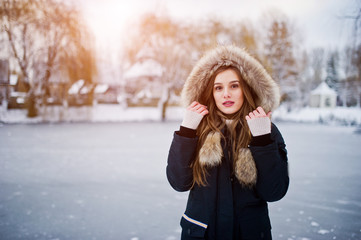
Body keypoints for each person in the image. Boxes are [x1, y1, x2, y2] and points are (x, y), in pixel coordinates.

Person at [166, 45, 289, 240]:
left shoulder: (265, 130)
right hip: (201, 233)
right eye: (218, 88)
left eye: (234, 85)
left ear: (246, 88)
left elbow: (274, 192)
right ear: (210, 93)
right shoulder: (196, 129)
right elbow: (179, 182)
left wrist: (262, 140)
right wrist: (187, 131)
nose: (226, 94)